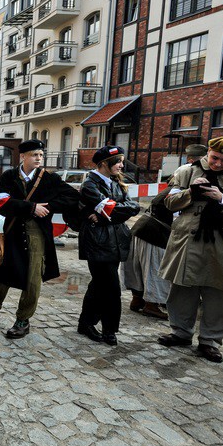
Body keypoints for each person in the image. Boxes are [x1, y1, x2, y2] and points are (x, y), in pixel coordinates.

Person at [158, 136, 223, 363]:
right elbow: (168, 202)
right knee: (182, 289)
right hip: (188, 240)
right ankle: (181, 332)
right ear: (208, 152)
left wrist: (222, 198)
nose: (216, 164)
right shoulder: (187, 171)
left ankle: (210, 341)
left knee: (220, 293)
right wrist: (189, 193)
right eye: (214, 158)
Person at [0, 139, 79, 338]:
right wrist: (31, 207)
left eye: (41, 155)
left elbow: (71, 197)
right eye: (34, 155)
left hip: (37, 233)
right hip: (12, 232)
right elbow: (3, 203)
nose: (39, 158)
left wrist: (49, 207)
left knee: (33, 279)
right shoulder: (8, 176)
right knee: (0, 274)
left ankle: (22, 320)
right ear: (23, 157)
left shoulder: (49, 179)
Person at [77, 146, 141, 346]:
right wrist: (109, 213)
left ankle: (85, 323)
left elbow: (134, 207)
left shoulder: (117, 183)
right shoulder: (90, 184)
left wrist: (105, 215)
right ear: (104, 163)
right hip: (97, 242)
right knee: (112, 288)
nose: (122, 165)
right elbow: (111, 208)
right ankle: (109, 330)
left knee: (98, 285)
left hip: (115, 241)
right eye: (118, 161)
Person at [122, 186, 173, 319]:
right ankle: (151, 305)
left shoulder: (171, 189)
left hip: (142, 228)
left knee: (138, 267)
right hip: (155, 233)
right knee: (154, 269)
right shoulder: (179, 191)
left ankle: (137, 299)